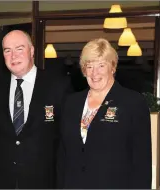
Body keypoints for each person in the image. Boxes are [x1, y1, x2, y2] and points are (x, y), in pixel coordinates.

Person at [0, 30, 72, 189]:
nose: (13, 56)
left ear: (31, 51)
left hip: (43, 182)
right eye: (7, 50)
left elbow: (67, 138)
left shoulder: (58, 86)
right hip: (1, 182)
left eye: (19, 48)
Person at [58, 38, 152, 189]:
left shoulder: (132, 103)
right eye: (89, 66)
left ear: (113, 67)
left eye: (101, 65)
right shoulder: (71, 103)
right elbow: (63, 155)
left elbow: (141, 162)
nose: (95, 73)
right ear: (83, 69)